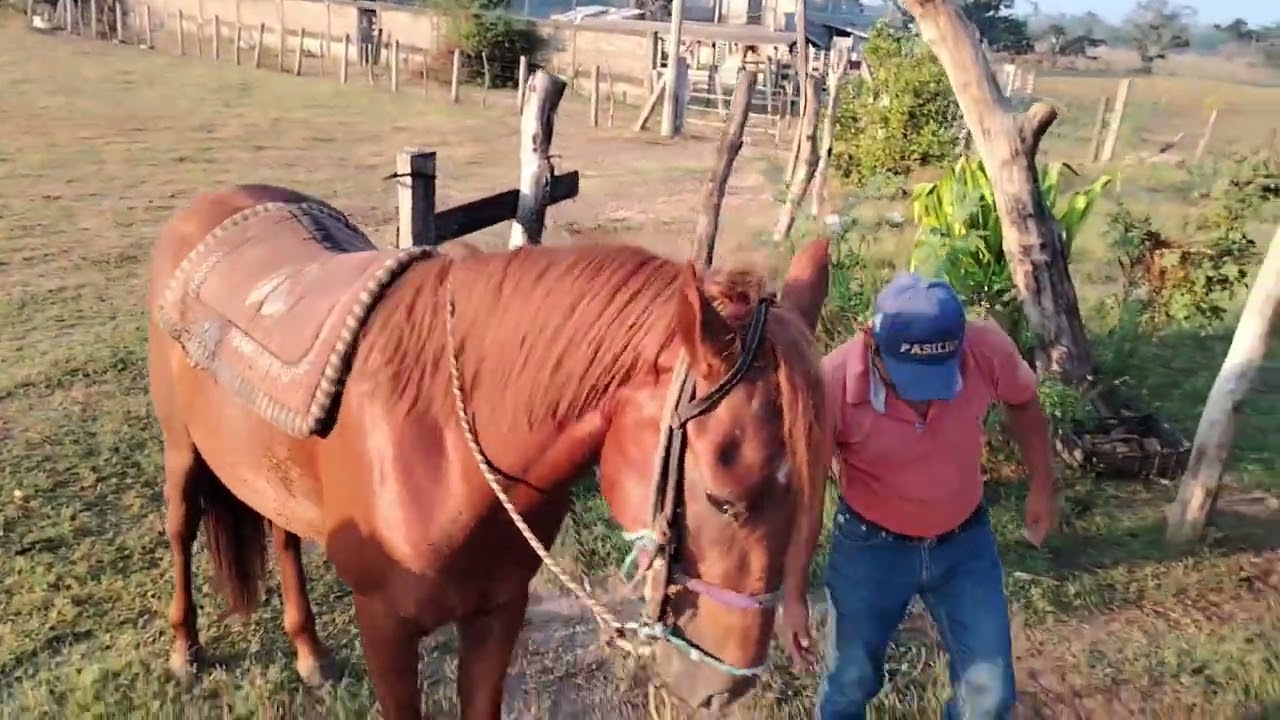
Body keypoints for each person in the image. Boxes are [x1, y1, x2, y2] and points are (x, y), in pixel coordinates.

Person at [776, 272, 1059, 720]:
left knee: (990, 695)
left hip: (964, 546)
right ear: (871, 341)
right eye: (908, 376)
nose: (922, 395)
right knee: (849, 682)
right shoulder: (830, 384)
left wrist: (1043, 486)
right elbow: (808, 499)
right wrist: (792, 596)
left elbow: (1024, 403)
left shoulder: (985, 349)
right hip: (871, 550)